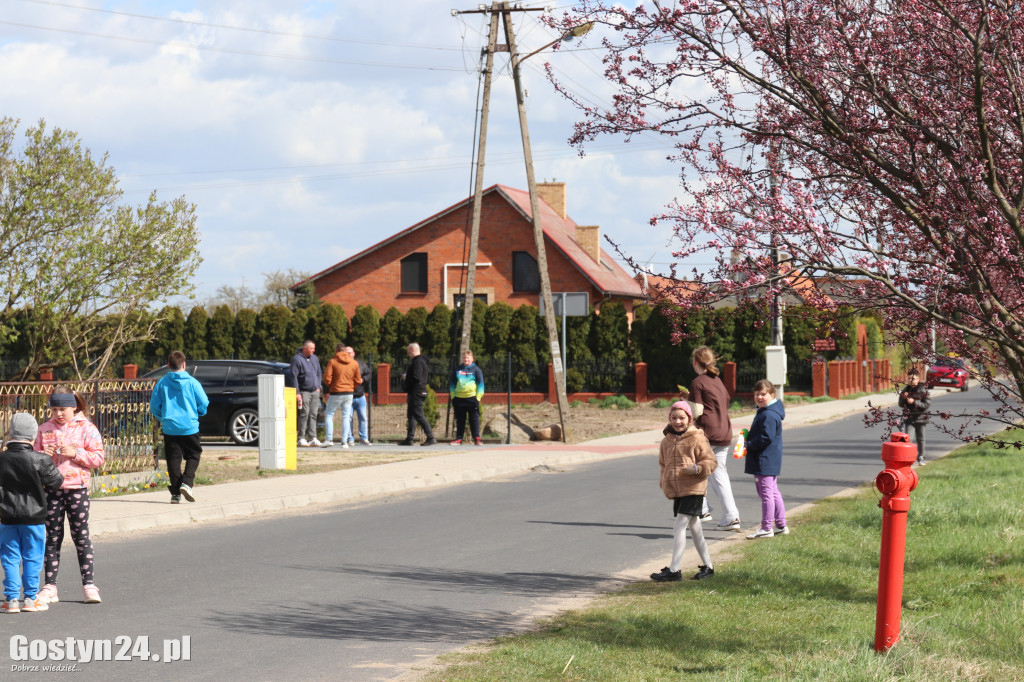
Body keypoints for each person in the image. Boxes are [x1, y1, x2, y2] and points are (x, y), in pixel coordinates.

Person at [34, 387, 105, 604]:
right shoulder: (44, 429)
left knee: (81, 537)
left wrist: (75, 453)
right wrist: (40, 456)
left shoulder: (87, 428)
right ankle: (50, 586)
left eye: (62, 409)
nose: (58, 414)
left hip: (77, 491)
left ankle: (89, 586)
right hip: (51, 492)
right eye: (54, 409)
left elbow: (99, 458)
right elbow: (32, 459)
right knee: (52, 539)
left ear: (73, 407)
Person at [1, 413, 65, 613]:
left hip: (7, 516)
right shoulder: (41, 459)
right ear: (32, 435)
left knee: (9, 556)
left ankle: (11, 600)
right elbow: (57, 482)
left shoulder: (1, 459)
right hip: (35, 516)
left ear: (11, 433)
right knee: (33, 556)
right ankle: (30, 598)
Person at [650, 401, 717, 582]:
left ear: (690, 418)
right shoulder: (666, 441)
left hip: (694, 489)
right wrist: (664, 482)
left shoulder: (697, 438)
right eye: (674, 418)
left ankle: (675, 570)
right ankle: (708, 567)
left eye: (682, 417)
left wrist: (696, 469)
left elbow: (711, 462)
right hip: (677, 491)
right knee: (695, 528)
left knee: (679, 525)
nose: (678, 421)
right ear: (669, 419)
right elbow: (663, 466)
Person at [689, 346, 742, 531]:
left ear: (695, 362)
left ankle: (708, 511)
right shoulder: (718, 381)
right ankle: (725, 514)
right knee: (716, 473)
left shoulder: (698, 382)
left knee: (696, 469)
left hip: (707, 432)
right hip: (724, 430)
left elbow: (696, 410)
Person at [150, 351, 210, 504]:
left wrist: (163, 418)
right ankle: (187, 483)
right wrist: (199, 412)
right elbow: (203, 402)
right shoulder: (192, 383)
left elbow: (154, 406)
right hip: (189, 426)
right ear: (184, 365)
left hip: (170, 427)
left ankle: (175, 494)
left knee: (173, 459)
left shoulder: (162, 383)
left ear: (169, 365)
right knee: (194, 454)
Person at [744, 379, 789, 540]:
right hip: (770, 459)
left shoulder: (769, 415)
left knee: (766, 494)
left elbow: (765, 437)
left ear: (771, 395)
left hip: (764, 459)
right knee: (773, 492)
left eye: (763, 394)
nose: (759, 397)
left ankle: (766, 527)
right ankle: (781, 525)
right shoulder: (767, 411)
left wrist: (748, 445)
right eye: (757, 394)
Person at [322, 344, 362, 448]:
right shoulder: (354, 363)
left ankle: (329, 439)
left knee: (329, 414)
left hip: (336, 392)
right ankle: (345, 441)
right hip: (349, 392)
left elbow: (327, 377)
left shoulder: (333, 361)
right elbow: (358, 379)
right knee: (346, 417)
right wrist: (351, 386)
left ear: (337, 350)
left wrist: (332, 385)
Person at [399, 342, 436, 446]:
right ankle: (410, 438)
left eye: (408, 351)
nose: (408, 353)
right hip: (416, 391)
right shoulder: (420, 361)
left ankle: (430, 437)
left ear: (412, 350)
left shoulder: (418, 362)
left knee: (419, 415)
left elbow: (417, 377)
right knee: (411, 415)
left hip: (417, 391)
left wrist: (406, 379)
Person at [291, 340, 323, 447]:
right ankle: (301, 438)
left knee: (313, 414)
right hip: (304, 391)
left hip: (315, 391)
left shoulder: (314, 358)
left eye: (314, 348)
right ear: (305, 348)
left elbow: (319, 372)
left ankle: (312, 437)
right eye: (311, 348)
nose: (313, 350)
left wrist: (318, 386)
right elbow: (294, 376)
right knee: (304, 413)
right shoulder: (297, 359)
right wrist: (297, 392)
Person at [449, 349, 484, 445]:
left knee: (474, 419)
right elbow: (452, 383)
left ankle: (476, 438)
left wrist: (478, 398)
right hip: (458, 398)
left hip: (472, 398)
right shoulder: (457, 369)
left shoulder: (476, 370)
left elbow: (481, 385)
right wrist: (453, 396)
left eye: (468, 358)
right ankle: (459, 438)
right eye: (464, 358)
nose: (466, 359)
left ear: (472, 359)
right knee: (460, 419)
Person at [898, 368, 930, 465]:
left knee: (921, 440)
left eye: (913, 379)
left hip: (921, 418)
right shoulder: (905, 390)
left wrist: (914, 402)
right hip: (909, 419)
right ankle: (908, 458)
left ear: (918, 379)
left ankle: (921, 457)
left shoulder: (923, 390)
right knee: (908, 440)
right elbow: (900, 403)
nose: (911, 381)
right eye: (909, 379)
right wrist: (904, 399)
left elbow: (926, 404)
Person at [346, 346, 372, 446]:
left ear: (354, 353)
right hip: (348, 396)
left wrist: (363, 379)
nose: (348, 355)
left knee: (363, 418)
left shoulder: (360, 364)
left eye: (350, 353)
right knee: (348, 418)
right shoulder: (343, 365)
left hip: (360, 396)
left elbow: (369, 373)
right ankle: (350, 439)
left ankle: (364, 438)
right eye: (346, 353)